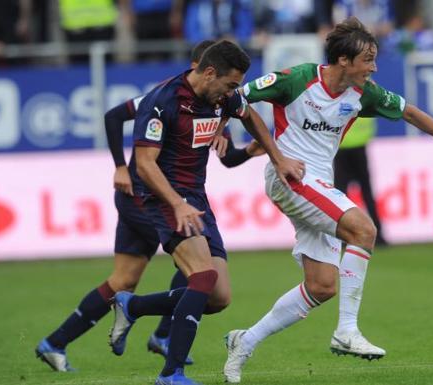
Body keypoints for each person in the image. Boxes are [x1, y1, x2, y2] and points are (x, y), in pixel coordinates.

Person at [223, 17, 433, 383]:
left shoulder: (364, 93)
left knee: (321, 286)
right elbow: (235, 97)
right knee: (364, 229)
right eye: (368, 59)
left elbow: (410, 112)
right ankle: (346, 331)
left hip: (319, 183)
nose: (374, 67)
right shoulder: (296, 79)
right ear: (344, 61)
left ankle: (244, 341)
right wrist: (243, 143)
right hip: (290, 177)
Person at [34, 40, 265, 372]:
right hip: (145, 196)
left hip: (162, 195)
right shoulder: (166, 99)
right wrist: (118, 166)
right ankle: (163, 335)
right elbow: (114, 116)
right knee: (197, 265)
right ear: (204, 68)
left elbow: (226, 158)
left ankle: (55, 342)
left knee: (125, 279)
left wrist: (251, 152)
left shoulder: (216, 107)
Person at [107, 40, 303, 385]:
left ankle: (132, 306)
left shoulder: (224, 96)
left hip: (196, 197)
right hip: (163, 197)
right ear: (209, 72)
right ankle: (171, 374)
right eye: (229, 84)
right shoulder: (161, 102)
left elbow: (251, 115)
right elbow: (145, 164)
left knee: (218, 298)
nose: (232, 92)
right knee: (202, 277)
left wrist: (278, 158)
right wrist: (177, 203)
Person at [333, 117, 386, 246]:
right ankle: (378, 237)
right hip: (359, 147)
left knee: (340, 197)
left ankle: (342, 238)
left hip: (341, 148)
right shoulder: (361, 98)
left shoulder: (337, 100)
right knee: (367, 194)